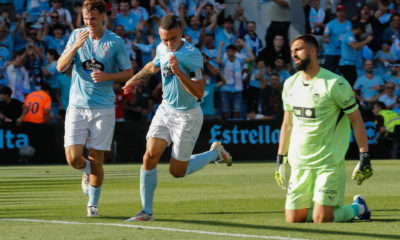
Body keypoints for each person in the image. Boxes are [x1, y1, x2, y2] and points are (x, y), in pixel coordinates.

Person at [122, 15, 232, 222]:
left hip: (187, 116)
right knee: (149, 156)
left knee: (177, 172)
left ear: (181, 32)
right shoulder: (162, 48)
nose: (169, 44)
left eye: (172, 38)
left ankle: (214, 153)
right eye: (165, 39)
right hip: (165, 110)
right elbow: (153, 66)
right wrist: (133, 79)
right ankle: (146, 211)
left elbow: (199, 93)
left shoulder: (193, 55)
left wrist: (179, 72)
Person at [275, 34, 372, 223]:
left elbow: (357, 121)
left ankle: (359, 207)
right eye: (292, 50)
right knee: (293, 219)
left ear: (313, 51)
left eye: (299, 49)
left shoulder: (335, 84)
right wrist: (280, 158)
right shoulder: (290, 84)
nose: (294, 54)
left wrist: (364, 156)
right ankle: (318, 206)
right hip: (299, 162)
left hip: (328, 163)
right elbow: (287, 124)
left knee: (322, 218)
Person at [56, 0, 133, 217]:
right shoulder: (76, 36)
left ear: (103, 17)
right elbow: (61, 67)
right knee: (73, 158)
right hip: (77, 106)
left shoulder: (116, 42)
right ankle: (87, 173)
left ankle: (93, 204)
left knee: (97, 157)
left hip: (103, 108)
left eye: (93, 19)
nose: (89, 23)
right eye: (86, 19)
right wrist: (75, 46)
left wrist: (107, 76)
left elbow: (128, 72)